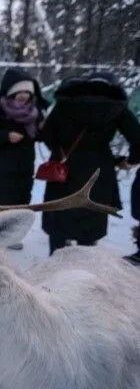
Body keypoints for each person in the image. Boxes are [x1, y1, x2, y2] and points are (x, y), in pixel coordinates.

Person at [40, 72, 140, 256]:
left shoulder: (65, 102)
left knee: (59, 216)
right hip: (98, 171)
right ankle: (84, 269)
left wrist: (58, 149)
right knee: (90, 219)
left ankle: (54, 265)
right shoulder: (116, 106)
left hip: (64, 169)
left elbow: (46, 133)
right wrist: (129, 161)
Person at [0, 69, 49, 250]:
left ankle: (12, 237)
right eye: (20, 91)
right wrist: (6, 135)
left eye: (28, 92)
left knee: (20, 199)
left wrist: (42, 128)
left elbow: (41, 136)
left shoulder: (36, 113)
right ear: (10, 92)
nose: (24, 96)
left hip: (22, 166)